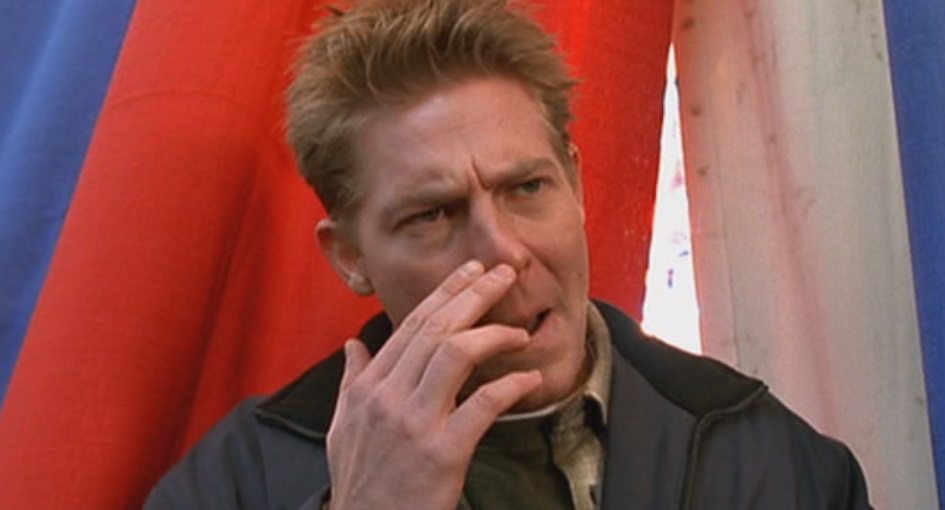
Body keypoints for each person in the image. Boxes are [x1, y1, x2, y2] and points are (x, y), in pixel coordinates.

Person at [145, 0, 872, 508]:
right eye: (432, 214)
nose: (504, 252)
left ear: (576, 185)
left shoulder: (767, 454)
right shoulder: (234, 482)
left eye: (526, 187)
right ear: (350, 257)